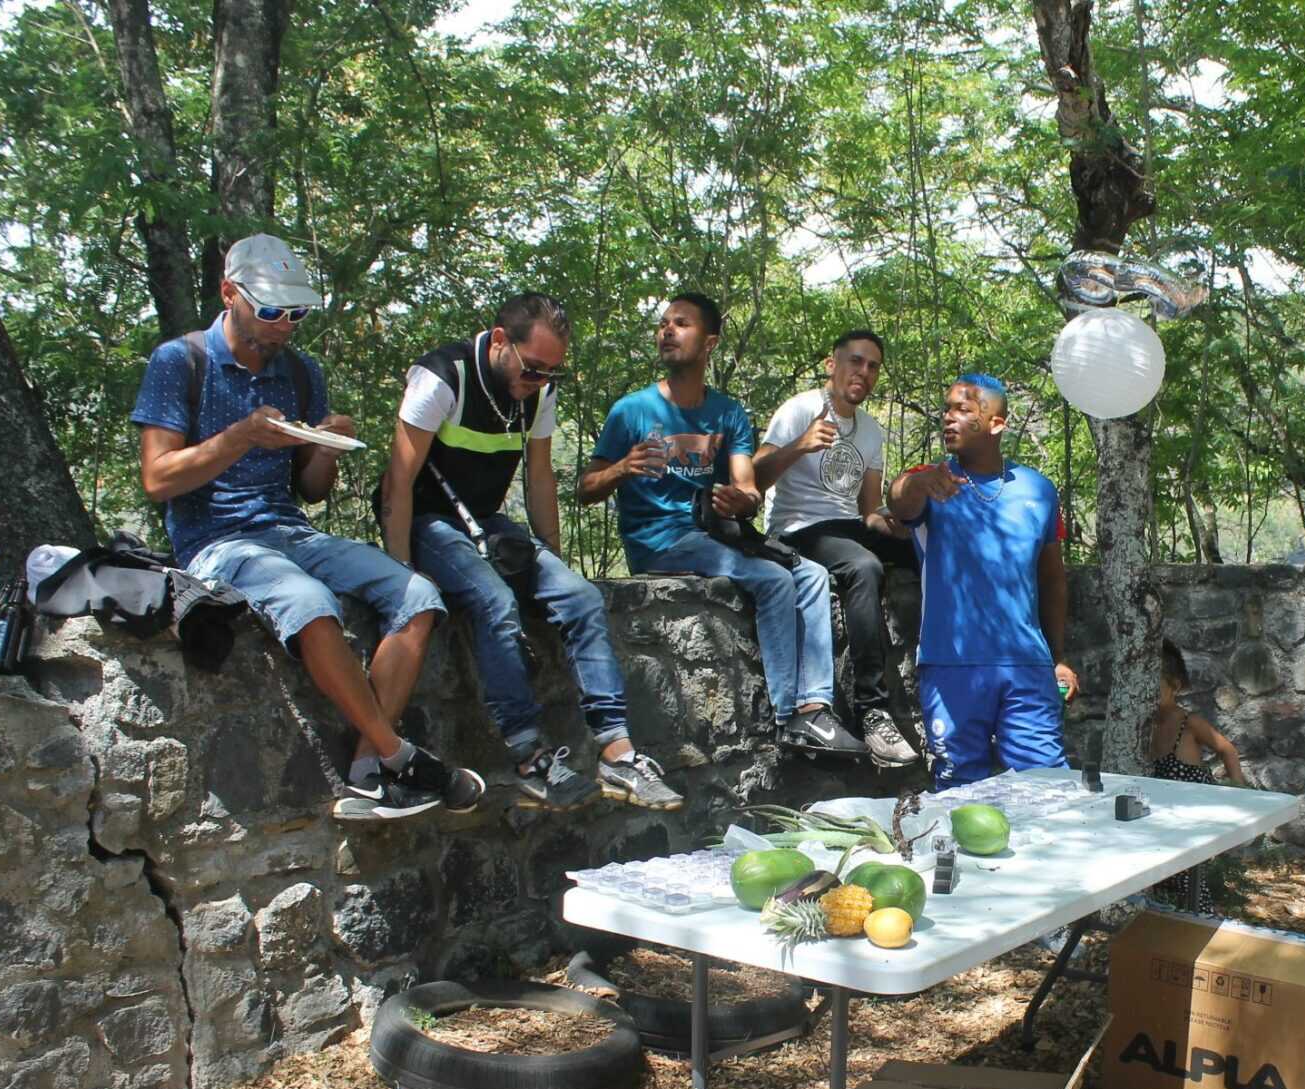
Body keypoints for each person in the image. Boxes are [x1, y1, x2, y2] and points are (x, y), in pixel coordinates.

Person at [132, 233, 482, 821]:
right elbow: (157, 479)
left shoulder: (299, 372)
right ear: (229, 294)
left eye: (296, 313)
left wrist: (325, 446)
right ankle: (401, 756)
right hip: (215, 540)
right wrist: (241, 435)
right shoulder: (180, 362)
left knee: (418, 592)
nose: (285, 325)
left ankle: (371, 769)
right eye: (271, 311)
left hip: (288, 530)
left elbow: (310, 491)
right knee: (310, 601)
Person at [377, 292, 682, 813]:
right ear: (500, 342)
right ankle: (528, 758)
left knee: (582, 597)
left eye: (551, 373)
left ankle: (617, 751)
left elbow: (540, 477)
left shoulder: (538, 391)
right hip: (430, 521)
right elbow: (397, 484)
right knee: (495, 602)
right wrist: (400, 573)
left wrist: (553, 562)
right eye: (533, 369)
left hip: (486, 522)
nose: (538, 383)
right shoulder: (441, 377)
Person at [578, 292, 867, 757]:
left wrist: (740, 500)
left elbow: (748, 489)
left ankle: (817, 708)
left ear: (709, 343)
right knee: (773, 580)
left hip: (714, 534)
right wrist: (620, 469)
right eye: (663, 324)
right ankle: (788, 716)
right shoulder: (631, 411)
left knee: (811, 574)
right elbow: (586, 487)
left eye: (681, 324)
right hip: (660, 540)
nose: (667, 331)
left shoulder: (727, 413)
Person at [885, 374, 1079, 789]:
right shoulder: (932, 479)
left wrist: (1058, 656)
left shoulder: (1038, 490)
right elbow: (898, 499)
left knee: (1047, 788)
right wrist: (916, 483)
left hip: (1027, 664)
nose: (948, 419)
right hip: (951, 665)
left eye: (964, 409)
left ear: (996, 424)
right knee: (958, 791)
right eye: (946, 409)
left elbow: (1052, 578)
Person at [752, 329, 920, 768]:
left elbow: (866, 512)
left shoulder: (870, 431)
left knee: (926, 553)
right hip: (797, 528)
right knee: (863, 568)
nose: (863, 372)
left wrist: (896, 529)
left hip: (845, 526)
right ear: (833, 364)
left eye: (873, 366)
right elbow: (752, 479)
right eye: (855, 362)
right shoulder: (799, 410)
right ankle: (872, 710)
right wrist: (799, 445)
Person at [1152, 643, 1245, 786]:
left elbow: (1228, 751)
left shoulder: (1189, 723)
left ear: (1175, 686)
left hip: (1196, 802)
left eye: (1153, 686)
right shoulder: (1146, 725)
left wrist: (1239, 793)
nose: (1147, 692)